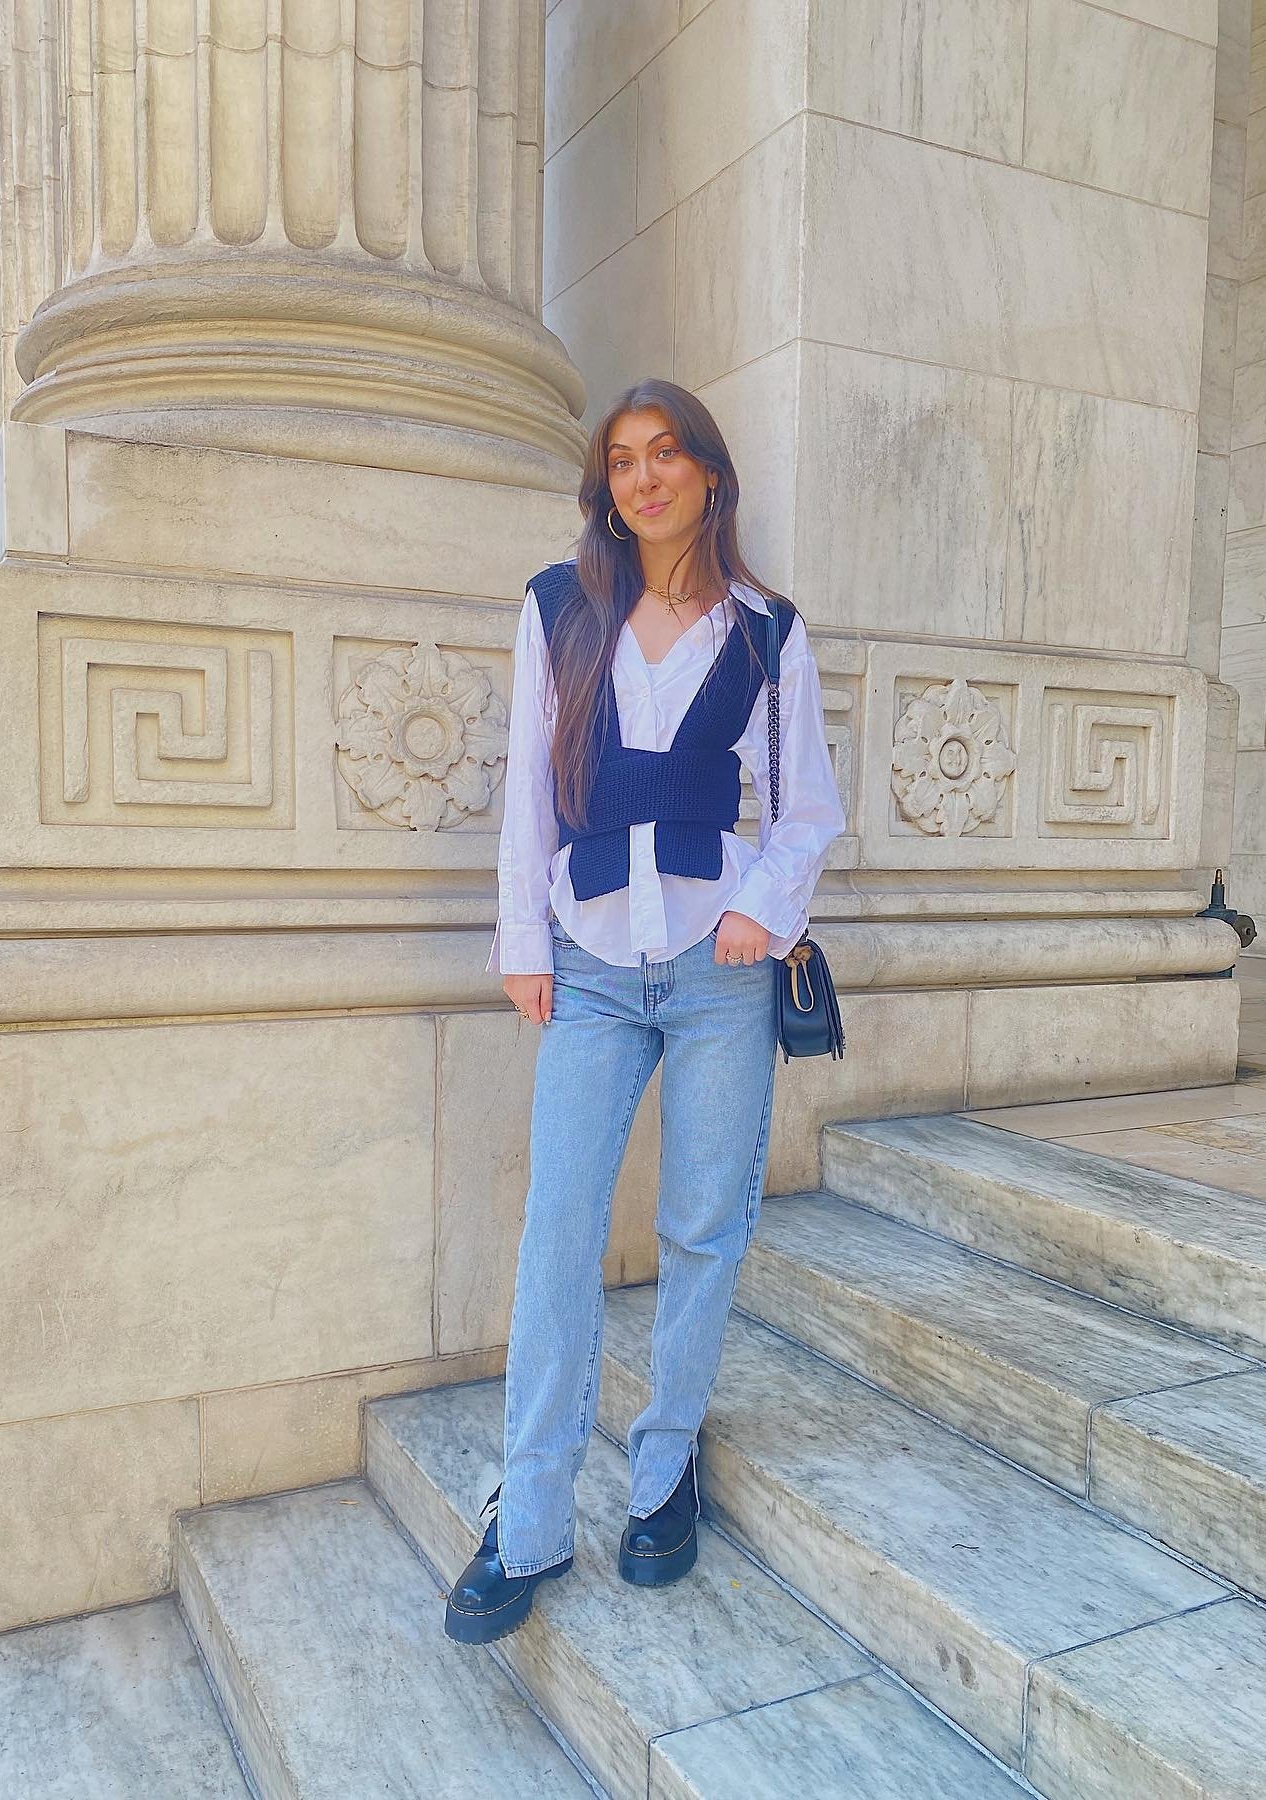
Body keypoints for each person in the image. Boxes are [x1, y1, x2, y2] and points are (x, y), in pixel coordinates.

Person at [444, 377, 846, 1644]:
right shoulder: (560, 607)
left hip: (721, 970)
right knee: (558, 1230)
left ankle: (665, 1468)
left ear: (709, 474)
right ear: (604, 489)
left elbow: (806, 808)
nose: (644, 476)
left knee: (702, 1226)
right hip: (592, 965)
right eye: (622, 461)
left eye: (666, 453)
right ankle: (530, 1518)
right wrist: (524, 943)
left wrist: (761, 909)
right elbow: (528, 791)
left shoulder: (767, 630)